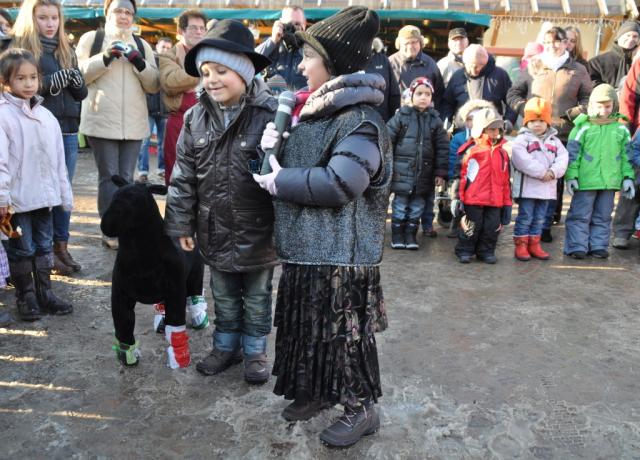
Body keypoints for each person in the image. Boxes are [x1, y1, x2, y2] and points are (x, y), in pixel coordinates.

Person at [253, 6, 390, 447]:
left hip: (341, 257)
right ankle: (316, 390)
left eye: (309, 57)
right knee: (307, 329)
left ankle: (361, 408)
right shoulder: (316, 112)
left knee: (342, 337)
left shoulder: (361, 120)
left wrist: (281, 180)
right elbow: (307, 164)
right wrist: (276, 148)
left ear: (333, 64)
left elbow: (341, 183)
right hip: (306, 249)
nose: (301, 65)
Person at [164, 20, 277, 384]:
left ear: (244, 72)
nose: (211, 80)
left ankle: (255, 350)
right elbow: (183, 176)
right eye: (205, 72)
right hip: (215, 227)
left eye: (221, 71)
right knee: (223, 294)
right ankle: (225, 346)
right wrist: (180, 223)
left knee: (258, 296)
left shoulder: (270, 114)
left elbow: (283, 173)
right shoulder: (195, 118)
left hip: (259, 229)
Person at [11, 0, 87, 276]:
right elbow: (14, 87)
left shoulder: (66, 48)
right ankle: (42, 253)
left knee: (64, 190)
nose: (50, 23)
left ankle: (61, 247)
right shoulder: (20, 48)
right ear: (31, 18)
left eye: (54, 17)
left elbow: (81, 94)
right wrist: (50, 81)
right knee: (40, 192)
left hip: (67, 128)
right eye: (43, 17)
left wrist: (77, 82)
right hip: (35, 130)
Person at [76, 0, 159, 250]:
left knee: (127, 179)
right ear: (107, 14)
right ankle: (109, 228)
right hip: (101, 119)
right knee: (109, 177)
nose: (123, 16)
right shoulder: (92, 39)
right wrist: (105, 57)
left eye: (128, 12)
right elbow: (79, 76)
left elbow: (154, 84)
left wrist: (139, 62)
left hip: (133, 122)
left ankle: (126, 226)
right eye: (118, 11)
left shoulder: (142, 45)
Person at [0, 48, 73, 321]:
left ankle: (46, 293)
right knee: (22, 249)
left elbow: (58, 161)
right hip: (17, 202)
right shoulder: (3, 116)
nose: (29, 83)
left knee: (43, 246)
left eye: (33, 77)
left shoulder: (47, 116)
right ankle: (26, 296)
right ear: (6, 80)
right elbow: (0, 162)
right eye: (21, 78)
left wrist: (63, 194)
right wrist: (2, 198)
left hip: (44, 198)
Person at [507, 26, 591, 242]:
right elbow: (513, 93)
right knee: (534, 174)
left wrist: (571, 114)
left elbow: (587, 98)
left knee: (555, 180)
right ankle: (530, 222)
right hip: (534, 131)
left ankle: (548, 222)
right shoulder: (534, 65)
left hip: (562, 131)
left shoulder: (578, 69)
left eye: (557, 41)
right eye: (548, 42)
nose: (553, 45)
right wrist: (528, 111)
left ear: (565, 43)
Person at [563, 84, 635, 259]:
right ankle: (577, 246)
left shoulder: (621, 130)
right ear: (591, 105)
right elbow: (573, 155)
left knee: (603, 216)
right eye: (599, 106)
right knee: (580, 215)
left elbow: (627, 156)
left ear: (614, 105)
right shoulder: (582, 127)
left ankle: (598, 245)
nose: (603, 110)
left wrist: (628, 177)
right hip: (585, 181)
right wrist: (571, 176)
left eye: (608, 106)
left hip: (609, 182)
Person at [387, 76, 448, 249]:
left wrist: (440, 172)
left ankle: (410, 235)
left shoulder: (435, 121)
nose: (423, 97)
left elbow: (442, 148)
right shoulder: (401, 117)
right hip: (401, 173)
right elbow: (387, 141)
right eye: (419, 93)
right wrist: (387, 166)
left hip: (424, 175)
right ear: (411, 95)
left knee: (417, 207)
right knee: (400, 205)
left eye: (427, 94)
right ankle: (397, 236)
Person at [511, 97, 568, 261]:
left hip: (546, 190)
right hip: (528, 190)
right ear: (526, 122)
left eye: (541, 120)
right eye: (533, 120)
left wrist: (553, 172)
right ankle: (521, 245)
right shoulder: (522, 140)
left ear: (548, 122)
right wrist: (542, 173)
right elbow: (522, 160)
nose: (537, 124)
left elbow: (563, 158)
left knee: (540, 218)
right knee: (525, 217)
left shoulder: (555, 141)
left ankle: (534, 244)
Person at [453, 108, 511, 264]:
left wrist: (507, 203)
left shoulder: (502, 153)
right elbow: (461, 176)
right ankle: (465, 250)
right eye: (491, 129)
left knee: (492, 228)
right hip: (473, 198)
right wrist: (457, 198)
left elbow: (506, 180)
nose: (495, 132)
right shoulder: (471, 150)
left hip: (495, 200)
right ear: (480, 130)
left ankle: (485, 251)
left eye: (497, 129)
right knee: (471, 226)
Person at [159, 9, 207, 187]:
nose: (199, 32)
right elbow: (170, 82)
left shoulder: (209, 52)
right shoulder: (169, 55)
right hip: (179, 121)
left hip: (207, 120)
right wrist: (204, 70)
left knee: (204, 172)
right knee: (176, 173)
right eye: (193, 28)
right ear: (181, 31)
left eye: (202, 28)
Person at [447, 99, 496, 238]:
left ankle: (477, 229)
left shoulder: (492, 139)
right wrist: (452, 178)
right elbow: (453, 159)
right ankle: (456, 222)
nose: (473, 122)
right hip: (464, 178)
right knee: (461, 203)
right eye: (469, 119)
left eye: (476, 118)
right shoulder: (459, 138)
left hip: (484, 180)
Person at [441, 44, 516, 131]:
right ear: (465, 62)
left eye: (479, 66)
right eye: (471, 66)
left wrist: (508, 120)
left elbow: (512, 100)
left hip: (491, 130)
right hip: (463, 131)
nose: (474, 70)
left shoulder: (500, 75)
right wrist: (446, 122)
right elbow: (447, 103)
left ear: (485, 62)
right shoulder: (457, 76)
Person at [137, 37, 172, 183]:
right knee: (144, 142)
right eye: (163, 47)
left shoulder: (172, 64)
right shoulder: (149, 62)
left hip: (165, 109)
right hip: (148, 108)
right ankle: (143, 171)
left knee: (164, 143)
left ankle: (162, 169)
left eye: (168, 48)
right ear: (157, 46)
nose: (165, 50)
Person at [389, 25, 445, 110]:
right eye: (406, 43)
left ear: (420, 43)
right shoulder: (390, 63)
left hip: (424, 115)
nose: (410, 47)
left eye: (414, 42)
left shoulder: (430, 64)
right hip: (397, 115)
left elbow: (439, 94)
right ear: (399, 44)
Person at [255, 6, 306, 91]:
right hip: (271, 98)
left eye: (297, 24)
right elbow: (250, 62)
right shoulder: (271, 44)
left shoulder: (310, 49)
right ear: (280, 23)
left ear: (304, 24)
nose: (293, 28)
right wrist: (273, 41)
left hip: (300, 99)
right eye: (289, 24)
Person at [588, 21, 640, 91]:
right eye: (628, 35)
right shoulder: (596, 63)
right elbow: (591, 85)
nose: (631, 39)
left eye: (635, 36)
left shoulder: (638, 63)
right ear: (619, 37)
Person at [365, 37, 400, 121]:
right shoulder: (347, 58)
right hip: (354, 120)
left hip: (382, 118)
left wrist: (393, 121)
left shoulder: (382, 59)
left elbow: (394, 92)